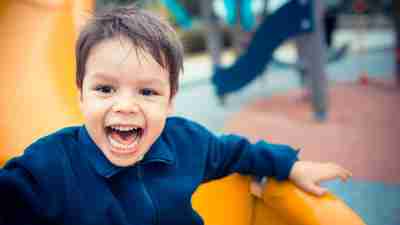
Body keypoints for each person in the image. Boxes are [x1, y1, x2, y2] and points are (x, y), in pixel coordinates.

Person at [0, 5, 351, 225]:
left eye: (147, 92)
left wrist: (290, 166)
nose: (125, 105)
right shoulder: (49, 166)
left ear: (169, 102)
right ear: (81, 94)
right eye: (105, 89)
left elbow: (237, 152)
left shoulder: (186, 142)